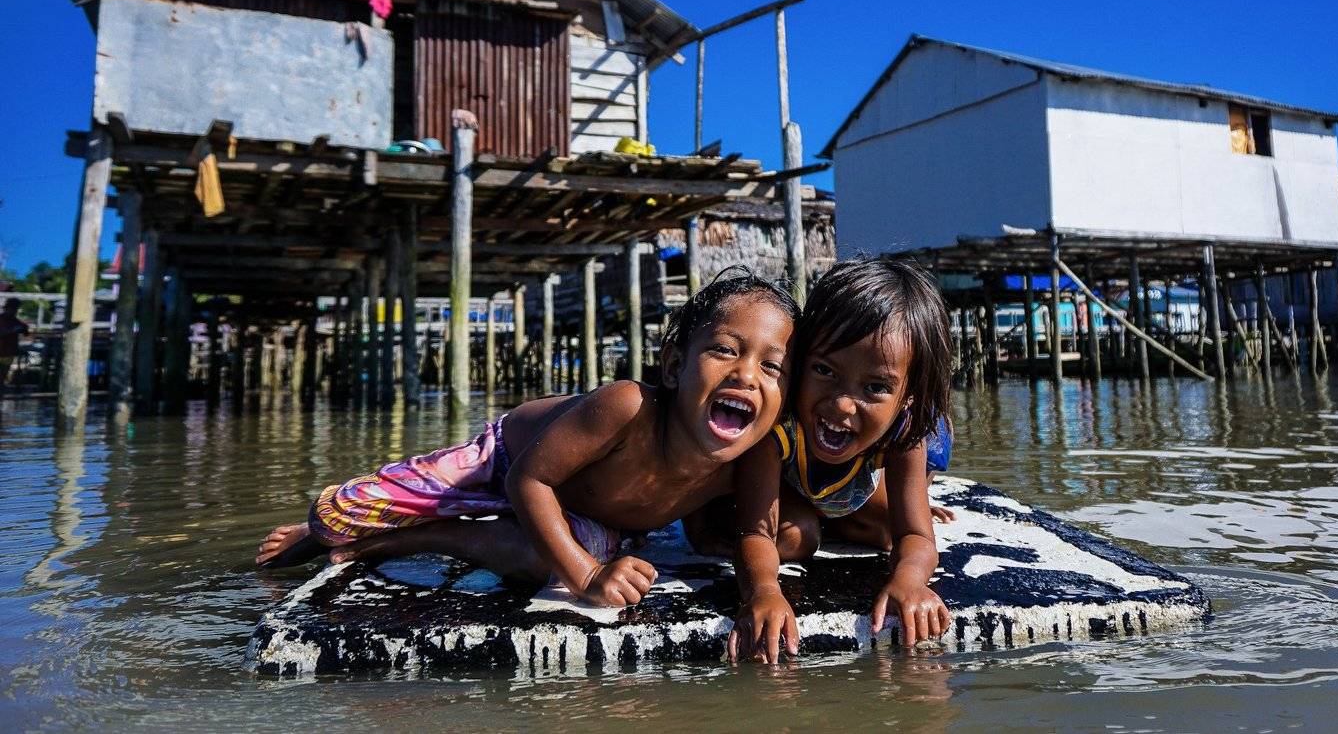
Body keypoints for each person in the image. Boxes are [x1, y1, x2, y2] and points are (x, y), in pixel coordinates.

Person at [255, 270, 797, 607]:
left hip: (578, 512)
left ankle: (417, 539)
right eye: (724, 350)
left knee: (551, 559)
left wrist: (759, 582)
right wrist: (587, 576)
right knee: (336, 517)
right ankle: (329, 529)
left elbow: (746, 529)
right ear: (675, 366)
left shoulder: (750, 455)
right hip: (503, 461)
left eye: (771, 367)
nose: (746, 375)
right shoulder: (627, 406)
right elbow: (529, 480)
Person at [728, 257, 955, 662]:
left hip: (849, 488)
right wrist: (764, 592)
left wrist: (909, 581)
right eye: (824, 370)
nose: (842, 404)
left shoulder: (904, 429)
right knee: (797, 537)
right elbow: (755, 533)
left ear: (907, 397)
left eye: (875, 387)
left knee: (888, 532)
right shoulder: (780, 425)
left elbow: (917, 537)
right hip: (785, 488)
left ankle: (906, 492)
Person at [0, 298, 30, 392]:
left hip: (8, 353)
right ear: (7, 308)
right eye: (13, 309)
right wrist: (12, 330)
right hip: (4, 351)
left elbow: (25, 332)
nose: (14, 311)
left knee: (2, 377)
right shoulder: (2, 319)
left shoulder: (15, 321)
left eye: (15, 309)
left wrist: (23, 328)